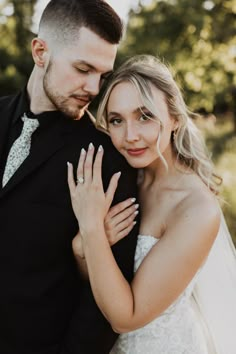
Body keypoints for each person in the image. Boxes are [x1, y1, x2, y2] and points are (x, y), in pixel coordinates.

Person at [68, 55, 236, 354]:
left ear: (175, 118)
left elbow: (125, 318)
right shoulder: (123, 179)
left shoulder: (196, 209)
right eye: (117, 120)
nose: (130, 136)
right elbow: (100, 276)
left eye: (144, 116)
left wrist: (91, 227)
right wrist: (82, 248)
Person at [0, 1, 140, 353]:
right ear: (40, 51)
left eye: (102, 75)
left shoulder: (106, 160)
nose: (94, 88)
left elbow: (101, 306)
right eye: (82, 68)